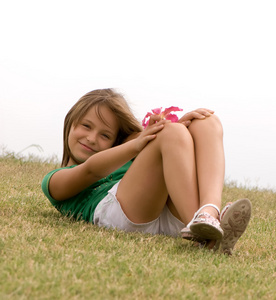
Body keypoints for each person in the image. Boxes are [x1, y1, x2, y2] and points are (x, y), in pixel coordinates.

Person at [41, 88, 251, 254]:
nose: (92, 138)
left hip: (167, 214)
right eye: (86, 126)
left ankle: (208, 213)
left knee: (205, 121)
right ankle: (206, 237)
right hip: (121, 214)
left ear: (115, 140)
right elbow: (90, 171)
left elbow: (168, 144)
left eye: (105, 135)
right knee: (172, 132)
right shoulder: (53, 180)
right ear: (70, 122)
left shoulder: (125, 152)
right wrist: (143, 142)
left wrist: (181, 126)